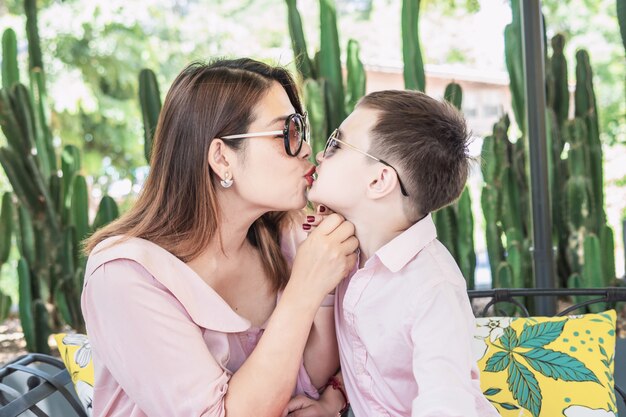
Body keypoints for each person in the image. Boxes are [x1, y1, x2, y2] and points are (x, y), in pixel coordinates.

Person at [81, 58, 356, 417]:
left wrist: (329, 400)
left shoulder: (285, 237)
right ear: (221, 158)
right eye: (286, 132)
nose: (306, 148)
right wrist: (304, 290)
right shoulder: (122, 277)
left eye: (300, 128)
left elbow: (304, 376)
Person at [288, 90, 500, 417]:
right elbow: (376, 361)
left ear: (379, 180)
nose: (319, 154)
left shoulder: (432, 287)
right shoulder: (347, 252)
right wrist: (332, 399)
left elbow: (445, 401)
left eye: (336, 144)